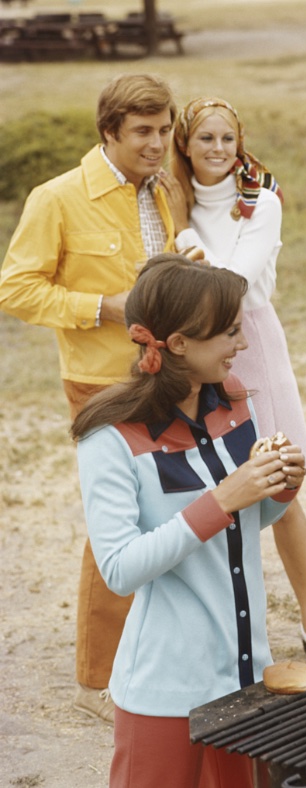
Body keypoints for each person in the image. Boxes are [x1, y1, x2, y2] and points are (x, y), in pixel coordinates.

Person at [72, 254, 306, 787]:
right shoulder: (109, 436)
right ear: (178, 344)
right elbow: (119, 568)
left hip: (245, 680)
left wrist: (282, 487)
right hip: (163, 692)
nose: (242, 345)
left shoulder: (235, 403)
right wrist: (220, 499)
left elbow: (249, 520)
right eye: (228, 333)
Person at [0, 73, 177, 722]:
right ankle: (97, 683)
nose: (158, 144)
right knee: (118, 521)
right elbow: (14, 289)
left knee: (171, 514)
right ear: (109, 133)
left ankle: (154, 654)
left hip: (173, 378)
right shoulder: (58, 198)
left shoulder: (167, 188)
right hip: (103, 386)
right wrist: (104, 307)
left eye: (164, 130)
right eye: (143, 133)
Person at [162, 96, 306, 652]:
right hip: (191, 351)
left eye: (227, 139)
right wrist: (180, 225)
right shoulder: (169, 199)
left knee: (281, 483)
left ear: (240, 143)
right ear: (184, 143)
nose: (218, 150)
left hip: (250, 338)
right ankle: (234, 627)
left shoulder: (262, 202)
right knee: (216, 485)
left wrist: (186, 239)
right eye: (205, 139)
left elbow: (232, 282)